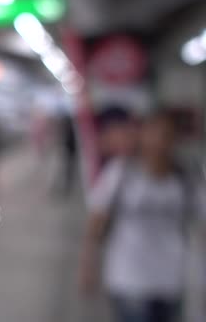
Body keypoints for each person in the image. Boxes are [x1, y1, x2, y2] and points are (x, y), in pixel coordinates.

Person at [79, 110, 205, 322]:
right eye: (154, 132)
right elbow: (96, 221)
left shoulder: (187, 179)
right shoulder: (121, 173)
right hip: (128, 278)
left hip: (171, 279)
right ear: (142, 135)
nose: (160, 141)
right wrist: (88, 264)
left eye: (167, 134)